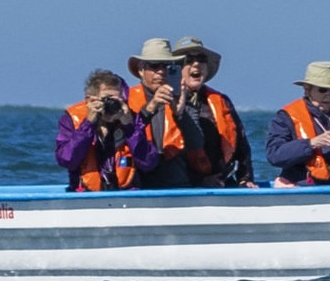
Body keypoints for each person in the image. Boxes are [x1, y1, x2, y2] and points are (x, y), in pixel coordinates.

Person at [157, 37, 253, 187]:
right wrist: (199, 181)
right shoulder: (161, 100)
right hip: (181, 185)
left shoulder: (221, 101)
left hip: (220, 181)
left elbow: (241, 145)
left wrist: (245, 178)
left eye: (201, 59)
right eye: (188, 60)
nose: (196, 64)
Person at [56, 68, 158, 191]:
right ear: (90, 100)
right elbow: (67, 160)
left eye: (117, 99)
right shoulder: (73, 119)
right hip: (85, 194)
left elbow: (148, 162)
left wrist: (129, 127)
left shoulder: (132, 119)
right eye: (107, 99)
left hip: (126, 194)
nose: (112, 105)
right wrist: (88, 124)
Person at [125, 40, 189, 187]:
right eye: (154, 65)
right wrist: (151, 107)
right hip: (137, 179)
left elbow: (196, 143)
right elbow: (123, 135)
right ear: (141, 70)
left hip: (175, 180)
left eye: (166, 66)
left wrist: (180, 114)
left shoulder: (183, 98)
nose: (161, 71)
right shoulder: (126, 101)